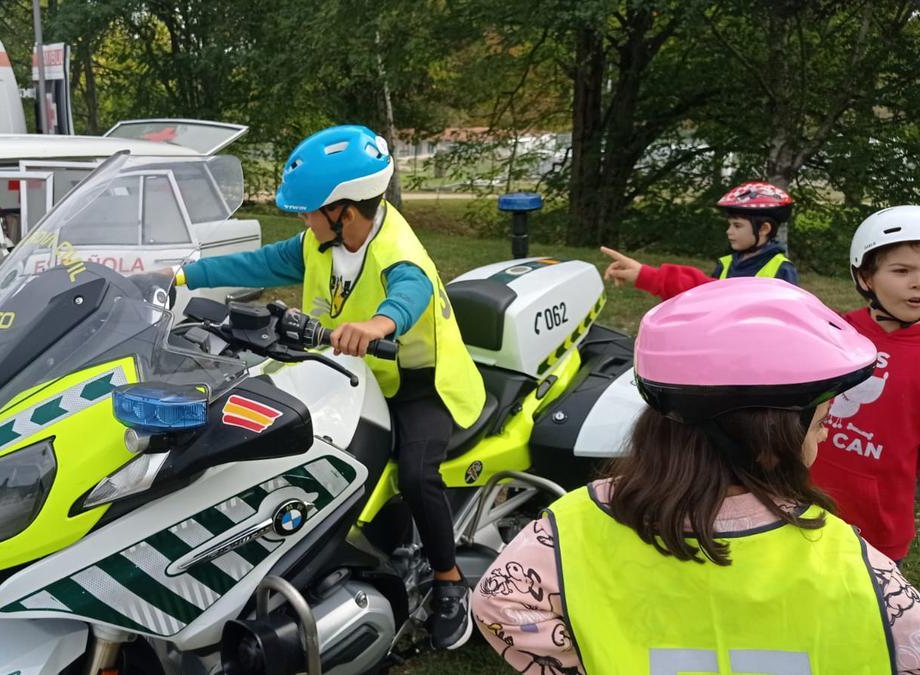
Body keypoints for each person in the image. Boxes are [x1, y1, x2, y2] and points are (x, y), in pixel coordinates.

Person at [471, 278, 920, 674]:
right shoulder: (848, 562)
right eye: (821, 423)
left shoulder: (576, 523)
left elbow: (497, 603)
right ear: (769, 443)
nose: (823, 437)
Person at [177, 125, 486, 649]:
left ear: (344, 209)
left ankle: (449, 579)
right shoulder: (322, 243)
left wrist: (378, 324)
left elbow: (411, 291)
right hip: (351, 377)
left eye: (308, 210)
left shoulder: (395, 250)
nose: (302, 220)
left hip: (419, 387)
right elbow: (260, 261)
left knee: (415, 471)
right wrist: (184, 275)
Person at [809, 206, 920, 562]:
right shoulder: (835, 330)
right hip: (806, 506)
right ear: (865, 278)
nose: (917, 282)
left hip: (878, 530)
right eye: (902, 270)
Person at [600, 181, 799, 301]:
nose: (729, 232)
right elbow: (704, 297)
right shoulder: (726, 264)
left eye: (737, 226)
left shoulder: (781, 269)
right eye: (729, 224)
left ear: (764, 229)